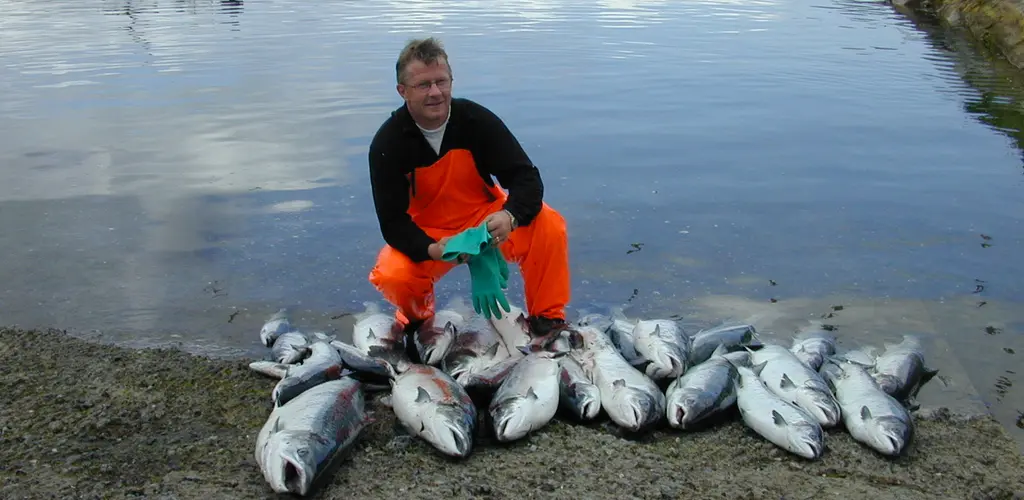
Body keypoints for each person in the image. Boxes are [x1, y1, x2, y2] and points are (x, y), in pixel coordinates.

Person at [366, 37, 572, 352]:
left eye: (441, 81)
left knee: (548, 225)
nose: (435, 92)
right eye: (423, 85)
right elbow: (393, 223)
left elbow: (526, 178)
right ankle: (420, 323)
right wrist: (434, 249)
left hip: (486, 221)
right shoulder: (387, 144)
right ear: (402, 91)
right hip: (431, 233)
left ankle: (547, 319)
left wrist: (510, 216)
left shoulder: (476, 121)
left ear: (451, 81)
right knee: (394, 274)